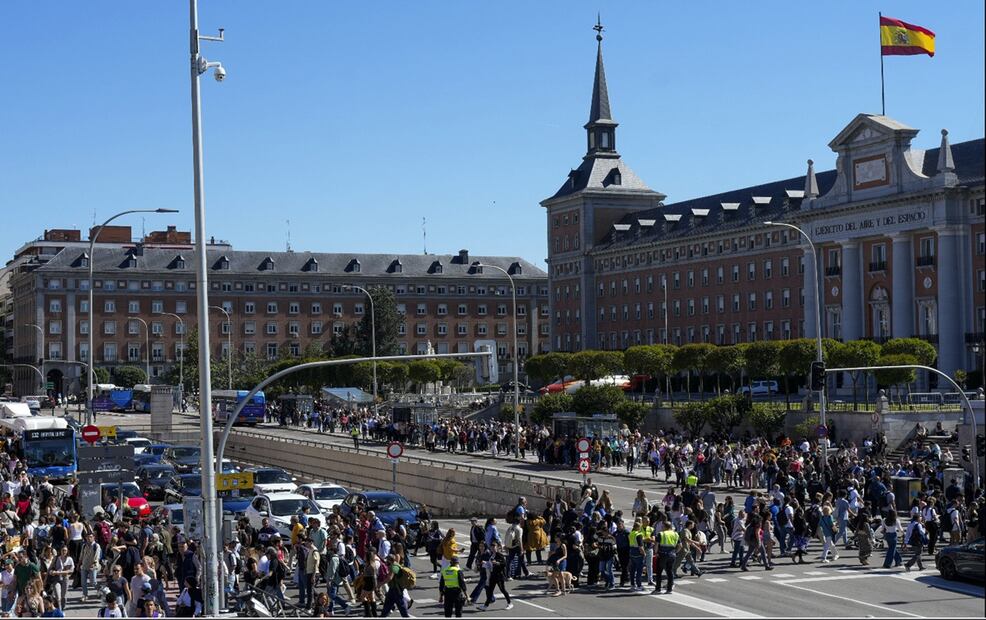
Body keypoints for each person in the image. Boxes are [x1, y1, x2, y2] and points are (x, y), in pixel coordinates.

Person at [479, 541, 512, 611]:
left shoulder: (499, 555)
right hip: (493, 575)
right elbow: (490, 564)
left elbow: (504, 564)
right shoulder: (492, 555)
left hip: (499, 576)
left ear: (497, 547)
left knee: (503, 590)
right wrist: (485, 563)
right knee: (490, 591)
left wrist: (497, 563)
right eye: (492, 547)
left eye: (494, 547)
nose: (493, 548)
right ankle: (485, 606)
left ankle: (510, 603)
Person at [653, 520, 678, 595]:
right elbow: (680, 546)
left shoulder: (661, 534)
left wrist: (656, 552)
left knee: (659, 572)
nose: (661, 527)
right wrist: (675, 552)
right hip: (672, 554)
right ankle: (669, 589)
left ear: (665, 527)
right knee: (670, 572)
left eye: (662, 526)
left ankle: (658, 589)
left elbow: (656, 545)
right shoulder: (675, 534)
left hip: (662, 554)